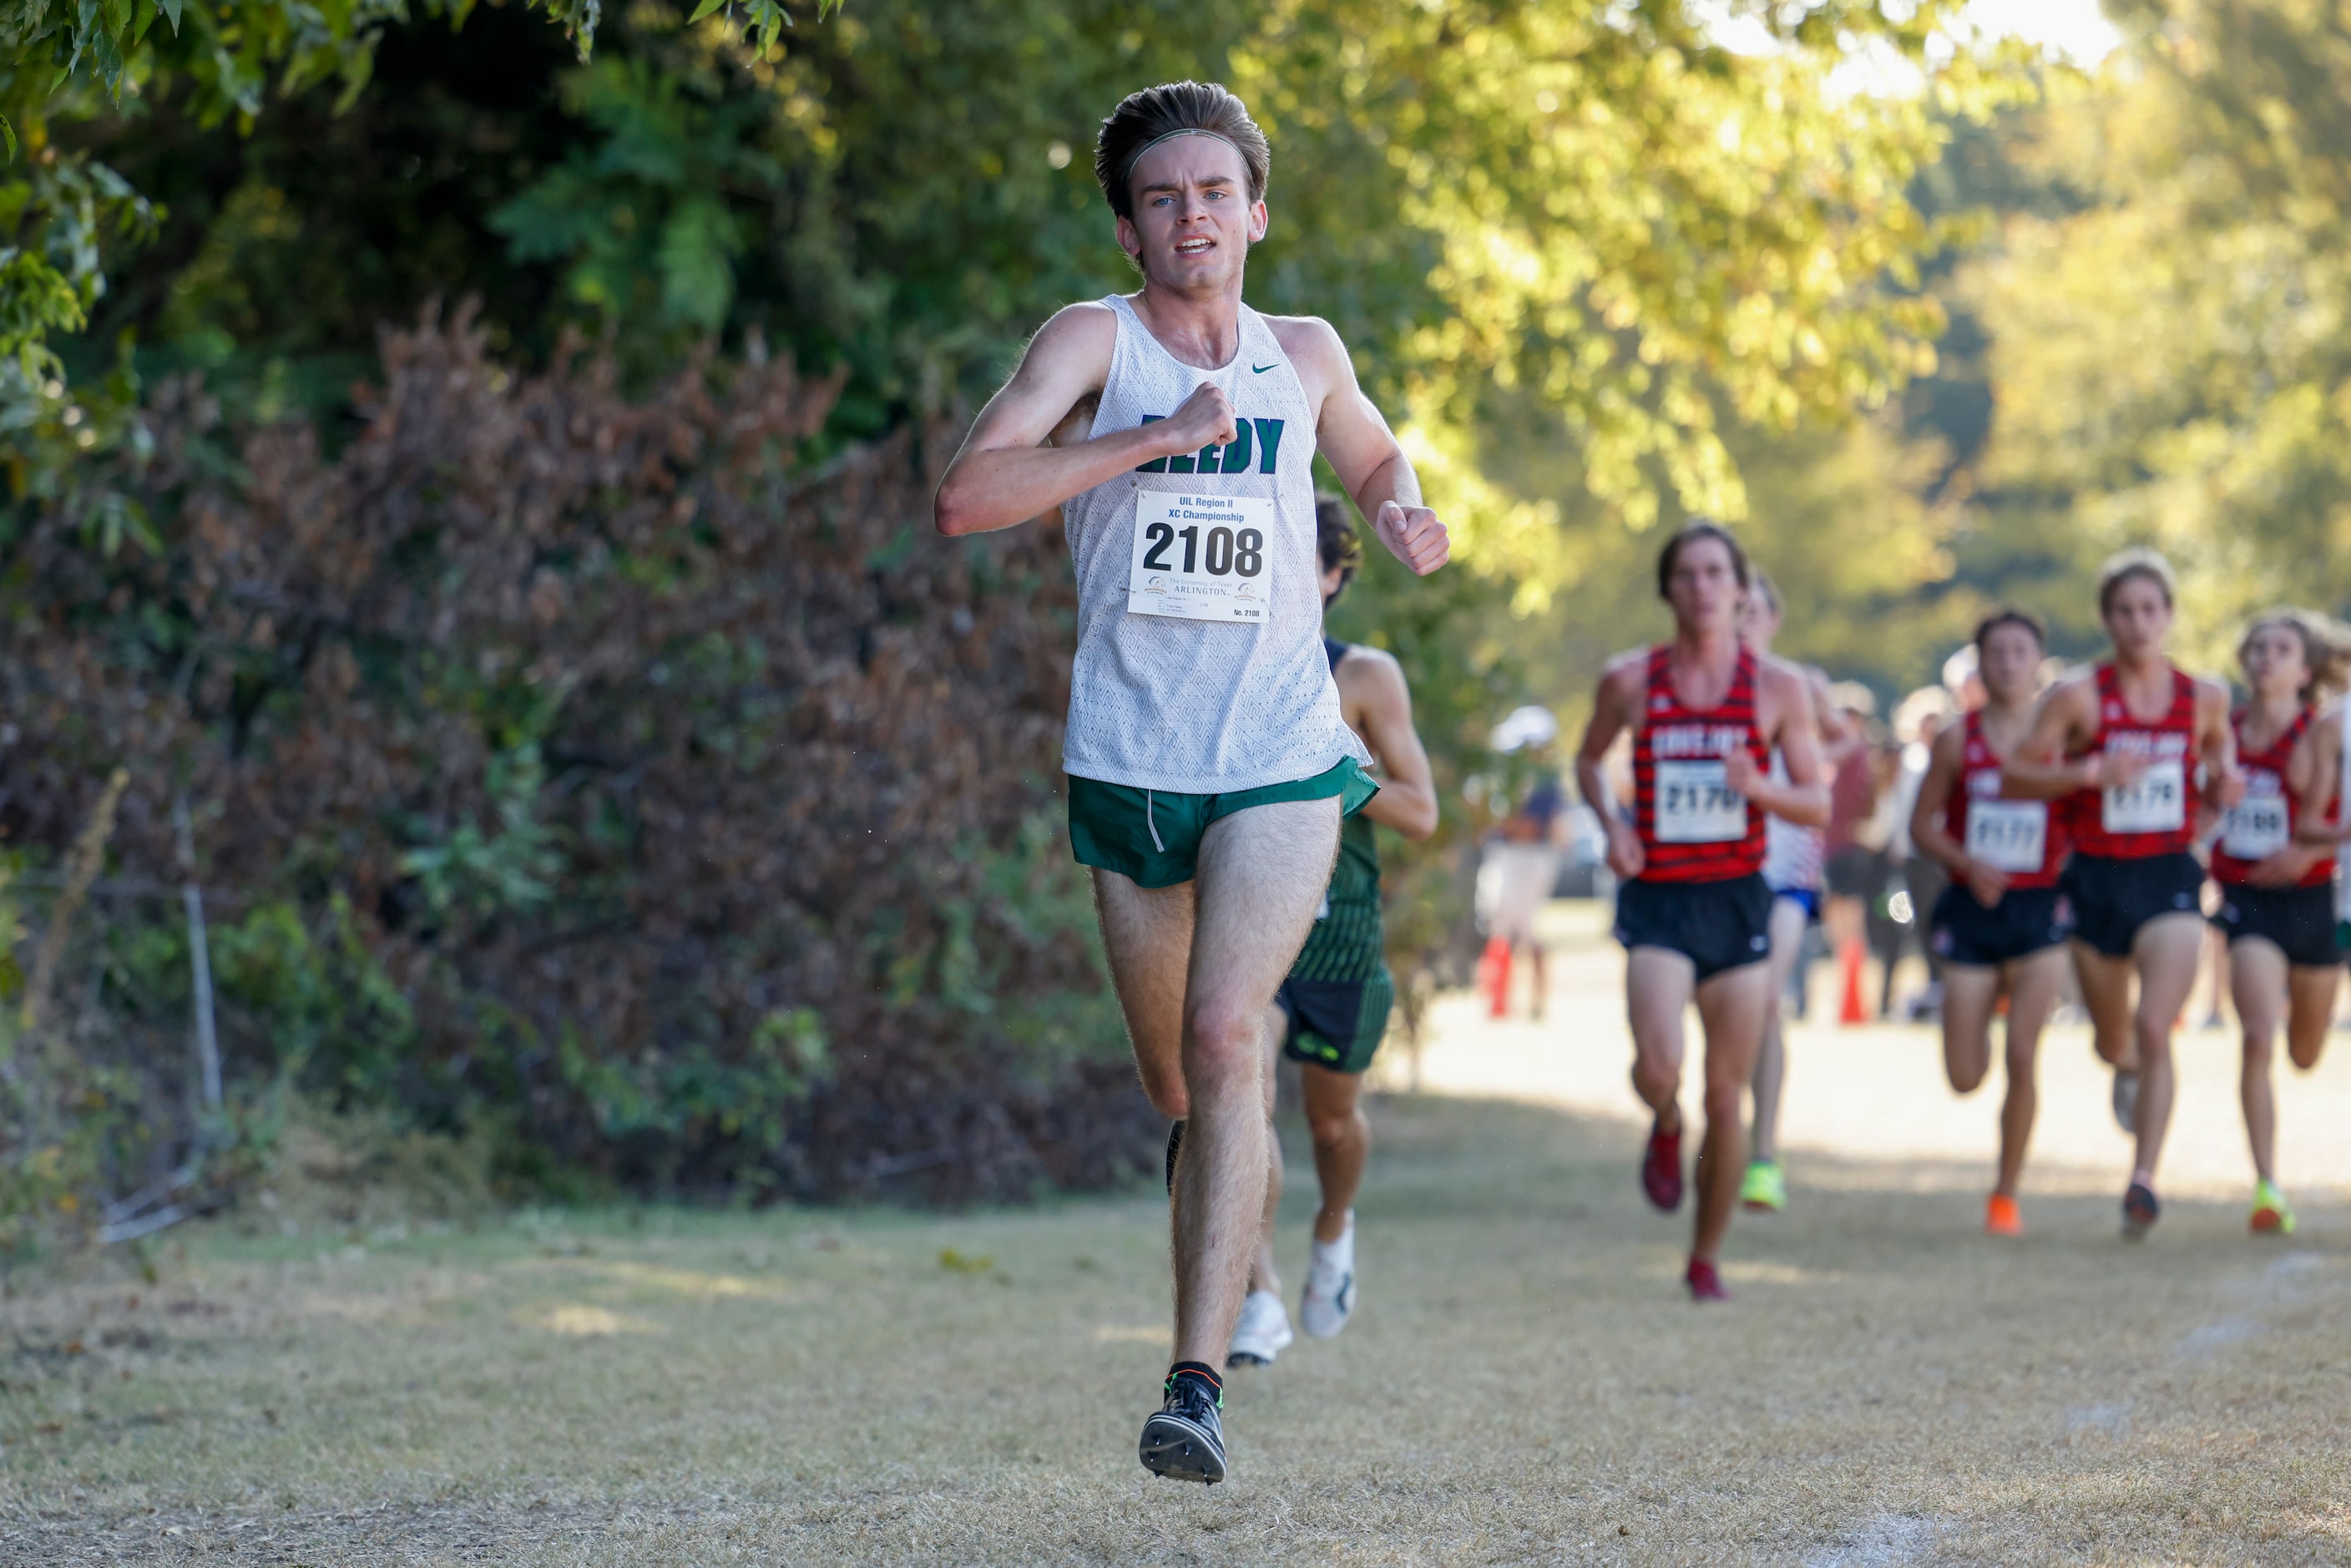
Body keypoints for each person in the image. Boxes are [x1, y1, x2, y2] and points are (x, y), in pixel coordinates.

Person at [933, 81, 1450, 1484]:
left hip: (1280, 755)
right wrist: (1146, 440)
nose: (1191, 215)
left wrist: (1398, 500)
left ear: (1256, 211)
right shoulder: (1093, 341)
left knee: (1230, 1038)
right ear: (1128, 227)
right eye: (1162, 197)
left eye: (1215, 192)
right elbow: (968, 496)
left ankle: (1194, 1385)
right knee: (1179, 1080)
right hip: (1127, 759)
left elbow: (1369, 443)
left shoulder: (1307, 350)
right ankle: (1252, 1253)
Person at [1574, 523, 1829, 1301]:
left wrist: (1760, 789)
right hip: (1659, 898)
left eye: (1717, 573)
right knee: (1660, 1068)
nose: (1703, 588)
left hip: (1736, 901)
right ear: (1667, 591)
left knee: (1730, 1094)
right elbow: (1587, 759)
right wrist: (1614, 825)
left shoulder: (1779, 689)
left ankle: (1706, 1256)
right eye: (1687, 574)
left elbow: (1816, 800)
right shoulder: (1631, 681)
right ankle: (1665, 1120)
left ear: (1741, 589)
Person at [1227, 498, 1438, 1368]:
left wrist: (1341, 780)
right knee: (1235, 1101)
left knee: (1329, 1128)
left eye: (1298, 561)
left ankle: (1333, 1222)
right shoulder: (1217, 666)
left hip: (1339, 939)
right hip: (1245, 927)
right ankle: (1257, 1298)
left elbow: (1420, 811)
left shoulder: (1362, 678)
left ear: (1330, 576)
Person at [2004, 549, 2240, 1239]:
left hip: (2169, 872)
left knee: (2155, 1025)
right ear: (2107, 618)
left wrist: (2219, 794)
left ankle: (2144, 1179)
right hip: (2095, 878)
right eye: (2124, 610)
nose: (2138, 622)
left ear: (2169, 615)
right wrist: (2088, 774)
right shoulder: (2077, 696)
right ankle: (2124, 1067)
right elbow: (2018, 774)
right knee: (2115, 1039)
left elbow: (2218, 767)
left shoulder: (2205, 696)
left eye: (2150, 609)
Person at [1909, 610, 2072, 1236]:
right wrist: (1966, 861)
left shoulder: (2066, 737)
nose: (2007, 663)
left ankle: (2006, 1193)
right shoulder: (1956, 740)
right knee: (1966, 1076)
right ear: (1979, 663)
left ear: (2039, 661)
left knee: (2025, 1054)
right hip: (1971, 912)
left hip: (2040, 911)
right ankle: (1967, 1014)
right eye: (1995, 653)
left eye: (2019, 651)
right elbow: (1921, 827)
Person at [2207, 610, 2351, 1236]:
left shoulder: (2327, 736)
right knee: (2259, 1034)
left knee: (2304, 1052)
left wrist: (2308, 851)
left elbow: (2334, 823)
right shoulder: (2223, 732)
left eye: (2282, 649)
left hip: (2313, 900)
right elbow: (2195, 804)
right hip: (2245, 903)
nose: (2266, 658)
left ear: (2306, 668)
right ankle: (2267, 1185)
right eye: (2257, 647)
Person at [1737, 570, 1859, 1213]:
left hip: (1786, 871)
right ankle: (1724, 1135)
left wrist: (1804, 751)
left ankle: (1763, 1154)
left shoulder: (1797, 684)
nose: (1743, 622)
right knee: (1728, 1011)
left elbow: (1845, 737)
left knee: (1761, 1005)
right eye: (1735, 611)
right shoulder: (1699, 684)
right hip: (1717, 869)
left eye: (1754, 611)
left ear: (1774, 620)